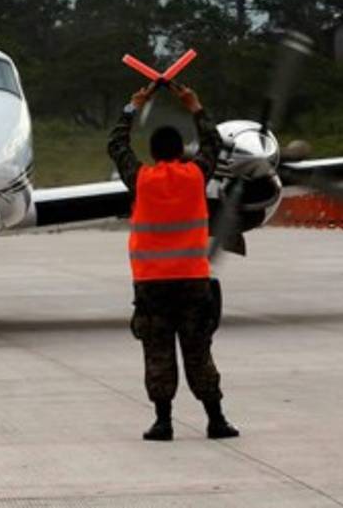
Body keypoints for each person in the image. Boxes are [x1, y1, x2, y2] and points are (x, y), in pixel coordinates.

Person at [107, 81, 238, 442]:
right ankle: (216, 419)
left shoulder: (142, 180)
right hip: (192, 281)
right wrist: (194, 106)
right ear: (182, 151)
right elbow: (214, 144)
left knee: (158, 352)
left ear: (152, 152)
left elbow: (116, 145)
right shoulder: (196, 175)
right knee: (199, 351)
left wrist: (134, 106)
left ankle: (163, 422)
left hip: (151, 284)